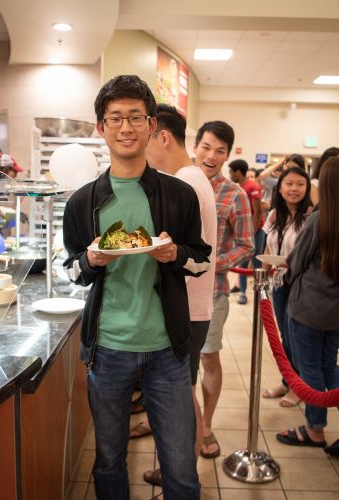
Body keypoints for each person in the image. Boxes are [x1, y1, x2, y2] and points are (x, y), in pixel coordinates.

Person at [63, 75, 211, 500]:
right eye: (115, 118)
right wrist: (91, 259)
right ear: (101, 128)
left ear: (151, 126)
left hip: (166, 349)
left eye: (135, 117)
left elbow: (201, 261)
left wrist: (173, 255)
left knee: (181, 467)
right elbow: (71, 271)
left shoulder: (179, 195)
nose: (125, 127)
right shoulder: (83, 202)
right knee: (109, 460)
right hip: (107, 349)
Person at [134, 103, 217, 497]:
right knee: (179, 396)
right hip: (190, 306)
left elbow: (190, 254)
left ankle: (180, 481)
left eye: (144, 138)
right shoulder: (193, 177)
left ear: (161, 136)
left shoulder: (186, 182)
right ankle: (176, 474)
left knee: (178, 403)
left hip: (187, 308)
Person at [194, 121, 254, 458]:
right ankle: (184, 421)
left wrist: (213, 263)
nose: (211, 155)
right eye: (206, 146)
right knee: (172, 362)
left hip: (213, 293)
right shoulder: (178, 183)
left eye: (220, 150)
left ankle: (205, 425)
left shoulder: (235, 194)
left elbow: (246, 245)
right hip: (170, 292)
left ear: (228, 156)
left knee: (208, 357)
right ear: (196, 145)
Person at [276, 156, 339, 453]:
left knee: (309, 368)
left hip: (309, 307)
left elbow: (296, 262)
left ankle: (314, 429)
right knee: (330, 365)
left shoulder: (319, 218)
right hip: (336, 312)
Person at [261, 167, 312, 407]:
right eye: (289, 184)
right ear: (279, 188)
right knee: (283, 335)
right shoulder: (273, 216)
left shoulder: (310, 217)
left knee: (296, 337)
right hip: (279, 282)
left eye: (300, 184)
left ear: (307, 188)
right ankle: (287, 381)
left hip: (301, 284)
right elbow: (269, 248)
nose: (294, 189)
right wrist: (266, 266)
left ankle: (299, 386)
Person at [228, 159, 265, 305]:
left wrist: (252, 232)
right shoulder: (239, 187)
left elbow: (258, 211)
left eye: (231, 172)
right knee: (242, 264)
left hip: (255, 232)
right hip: (243, 233)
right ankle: (242, 292)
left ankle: (261, 293)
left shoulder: (252, 186)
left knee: (257, 265)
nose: (230, 175)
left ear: (238, 172)